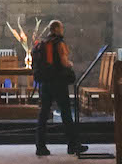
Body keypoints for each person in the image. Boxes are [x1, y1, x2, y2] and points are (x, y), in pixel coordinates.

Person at [33, 20, 88, 157]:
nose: (63, 30)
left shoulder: (43, 43)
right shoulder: (59, 43)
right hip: (58, 82)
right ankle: (72, 145)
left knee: (44, 114)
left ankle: (40, 146)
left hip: (45, 82)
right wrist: (70, 63)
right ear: (56, 29)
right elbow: (64, 62)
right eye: (61, 27)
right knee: (66, 113)